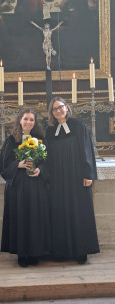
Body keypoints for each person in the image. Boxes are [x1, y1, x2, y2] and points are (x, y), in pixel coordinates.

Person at [46, 97, 100, 264]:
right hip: (57, 179)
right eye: (55, 109)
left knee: (78, 212)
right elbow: (47, 156)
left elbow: (86, 150)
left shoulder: (79, 126)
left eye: (60, 107)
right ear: (52, 113)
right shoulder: (50, 131)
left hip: (77, 178)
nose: (58, 111)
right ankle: (60, 252)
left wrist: (88, 174)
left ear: (67, 108)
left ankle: (81, 251)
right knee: (59, 212)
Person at [0, 108, 51, 267]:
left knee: (36, 218)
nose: (28, 122)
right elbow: (3, 166)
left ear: (35, 123)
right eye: (26, 119)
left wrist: (40, 170)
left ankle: (35, 253)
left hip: (36, 185)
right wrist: (18, 165)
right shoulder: (10, 140)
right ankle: (22, 254)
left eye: (31, 119)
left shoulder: (41, 139)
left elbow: (48, 162)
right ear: (20, 121)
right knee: (19, 218)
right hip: (18, 187)